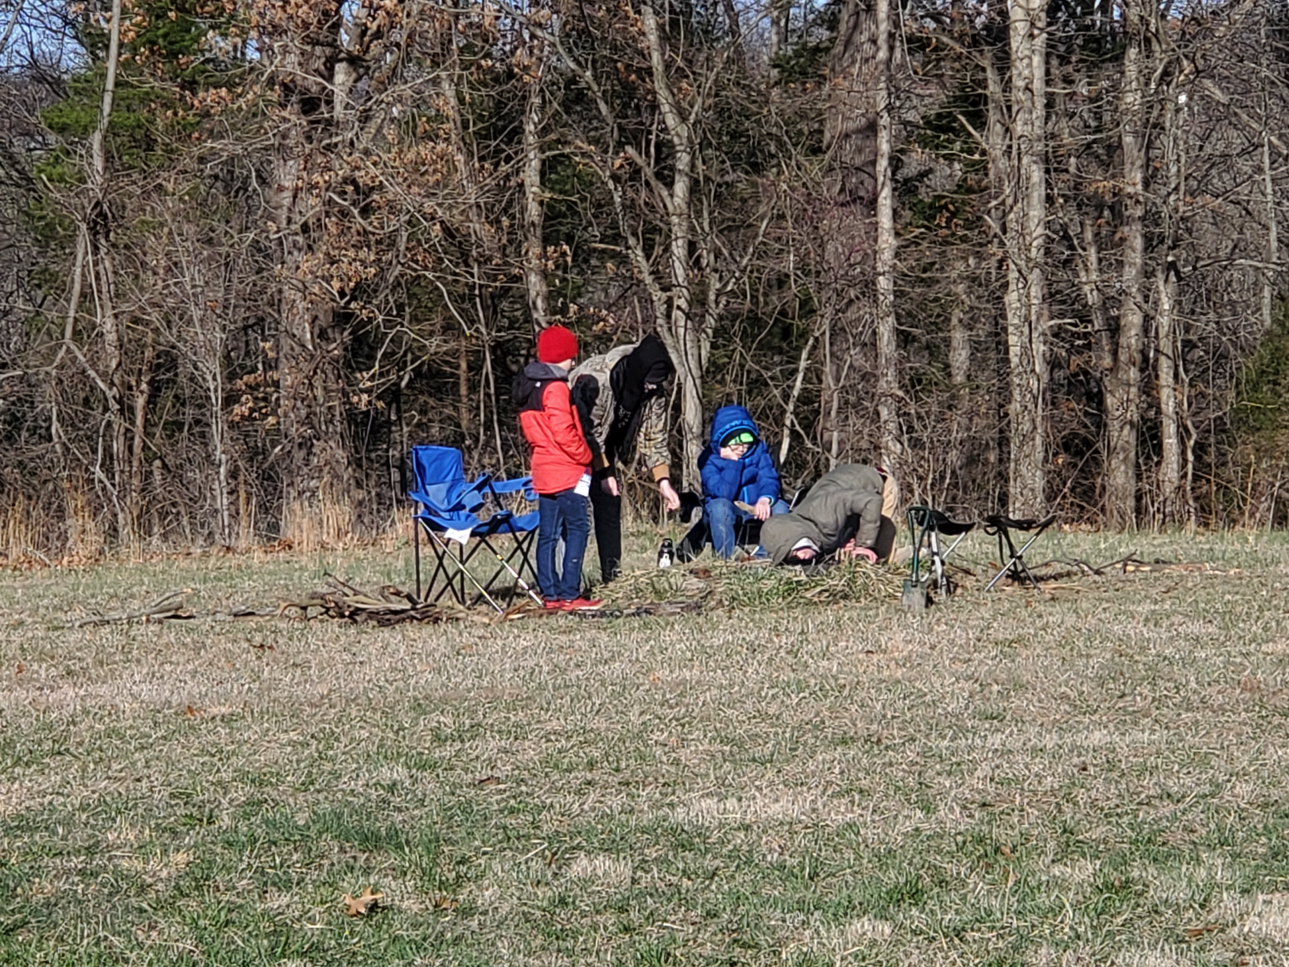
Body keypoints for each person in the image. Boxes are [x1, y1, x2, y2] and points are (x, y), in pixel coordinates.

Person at [569, 333, 681, 582]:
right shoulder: (597, 379)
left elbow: (654, 437)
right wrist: (604, 473)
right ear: (638, 372)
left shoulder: (654, 393)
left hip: (606, 450)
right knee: (572, 515)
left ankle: (611, 577)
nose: (651, 388)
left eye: (657, 383)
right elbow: (588, 433)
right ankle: (566, 583)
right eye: (649, 382)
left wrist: (663, 482)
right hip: (571, 452)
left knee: (610, 504)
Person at [511, 325, 602, 611]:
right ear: (563, 356)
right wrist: (586, 455)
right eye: (571, 356)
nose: (574, 362)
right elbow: (564, 432)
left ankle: (550, 595)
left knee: (548, 533)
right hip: (567, 469)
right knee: (578, 528)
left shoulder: (530, 388)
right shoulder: (556, 388)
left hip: (543, 469)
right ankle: (570, 594)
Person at [693, 405, 790, 559]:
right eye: (735, 442)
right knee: (719, 508)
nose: (742, 447)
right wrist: (733, 463)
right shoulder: (709, 460)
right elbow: (723, 493)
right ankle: (729, 558)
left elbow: (769, 478)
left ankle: (763, 556)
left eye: (746, 440)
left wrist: (765, 499)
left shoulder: (759, 451)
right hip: (730, 506)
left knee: (781, 507)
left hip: (756, 505)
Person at [758, 463, 901, 566]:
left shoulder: (824, 512)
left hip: (875, 485)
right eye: (792, 557)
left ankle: (907, 560)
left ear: (799, 538)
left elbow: (871, 501)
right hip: (847, 500)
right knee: (848, 553)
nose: (801, 557)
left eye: (796, 551)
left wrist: (863, 545)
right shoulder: (806, 526)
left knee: (880, 554)